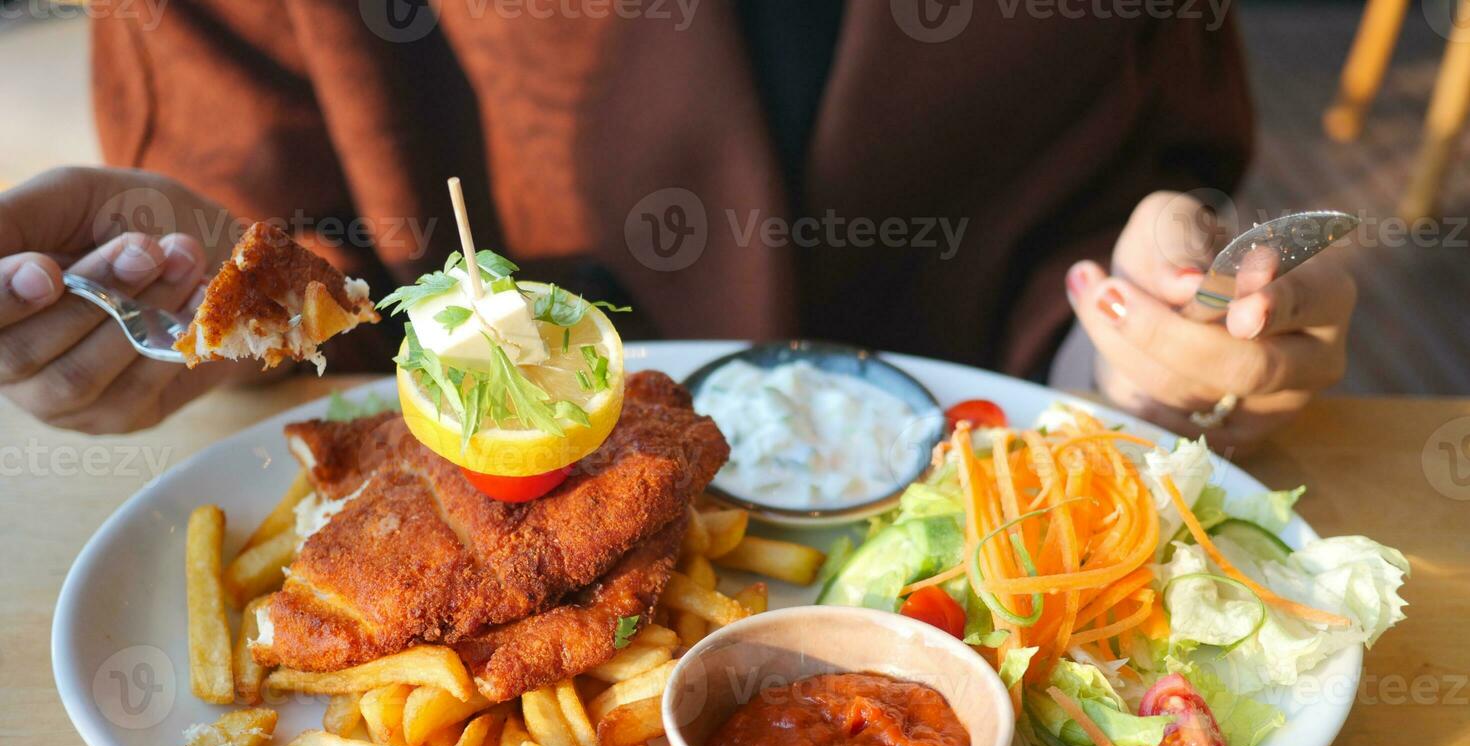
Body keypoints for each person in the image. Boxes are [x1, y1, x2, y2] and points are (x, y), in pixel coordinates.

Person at [0, 2, 1353, 450]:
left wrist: (1157, 334)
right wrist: (221, 293)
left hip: (969, 551)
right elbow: (275, 224)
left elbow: (1154, 179)